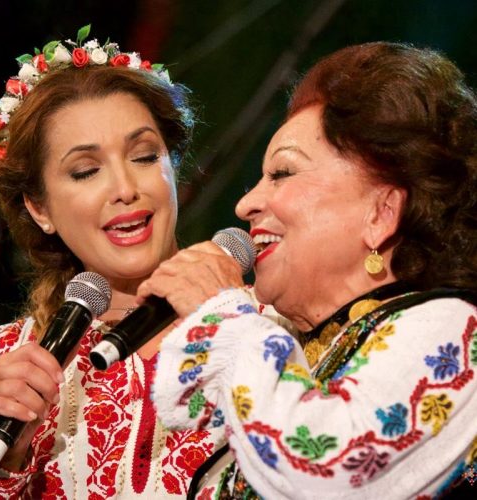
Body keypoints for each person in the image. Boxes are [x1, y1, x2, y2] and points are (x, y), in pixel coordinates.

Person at [141, 42, 477, 499]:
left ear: (381, 214)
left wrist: (223, 313)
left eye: (282, 173)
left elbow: (328, 471)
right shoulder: (303, 352)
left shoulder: (452, 328)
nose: (245, 204)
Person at [0, 24, 233, 498]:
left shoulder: (266, 325)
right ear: (40, 208)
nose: (125, 189)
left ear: (173, 165)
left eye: (144, 156)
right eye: (86, 171)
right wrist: (4, 462)